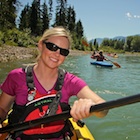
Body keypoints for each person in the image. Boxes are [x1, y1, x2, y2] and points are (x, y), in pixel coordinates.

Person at [0, 26, 108, 139]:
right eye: (52, 47)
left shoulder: (71, 81)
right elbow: (2, 109)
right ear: (41, 45)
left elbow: (104, 109)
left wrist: (91, 107)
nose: (57, 54)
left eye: (63, 51)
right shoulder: (16, 77)